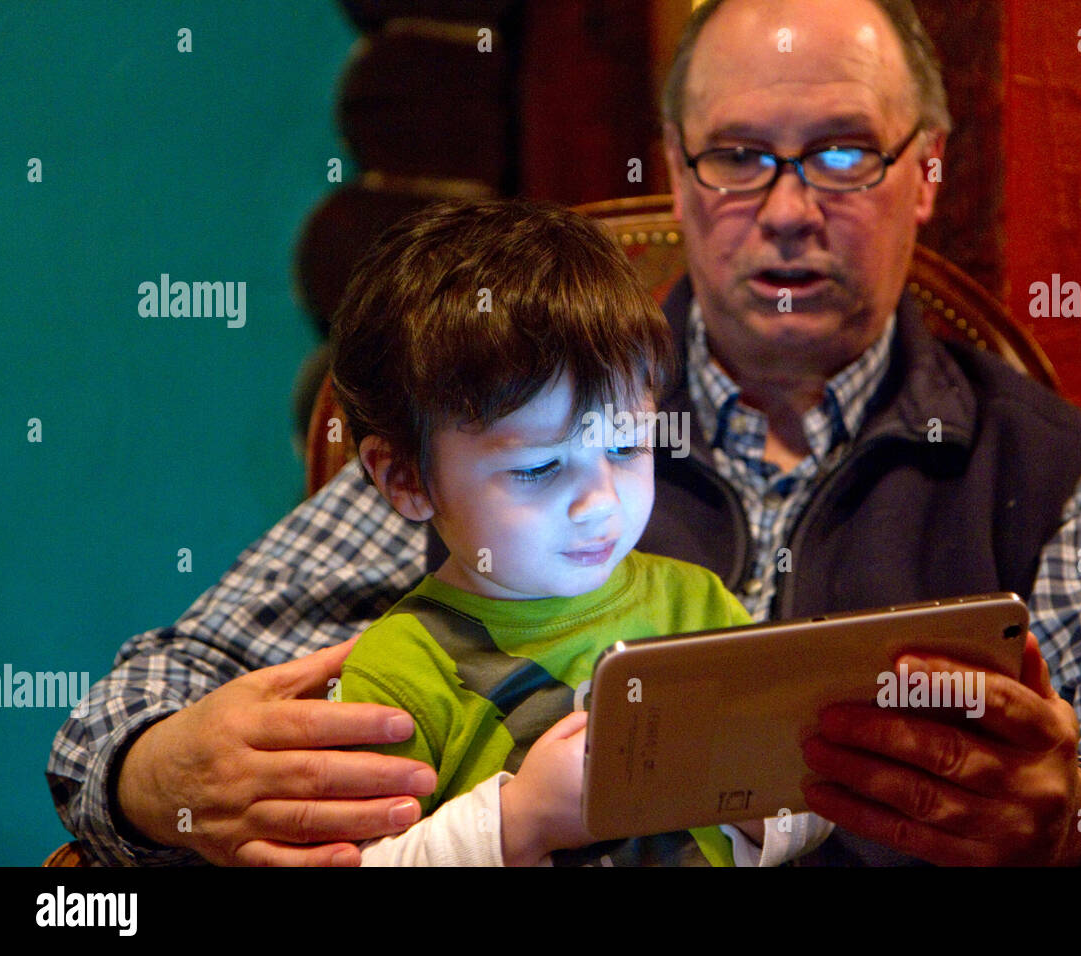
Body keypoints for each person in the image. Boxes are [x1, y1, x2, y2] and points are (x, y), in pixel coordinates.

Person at [50, 0, 1081, 867]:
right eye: (739, 156)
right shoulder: (503, 409)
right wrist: (159, 775)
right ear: (684, 175)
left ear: (928, 173)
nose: (789, 209)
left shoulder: (1054, 469)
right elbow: (157, 687)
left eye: (845, 154)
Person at [328, 197, 827, 865]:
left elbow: (812, 799)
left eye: (625, 449)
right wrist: (521, 822)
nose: (598, 503)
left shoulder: (696, 608)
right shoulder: (398, 673)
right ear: (406, 479)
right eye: (537, 469)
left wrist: (759, 801)